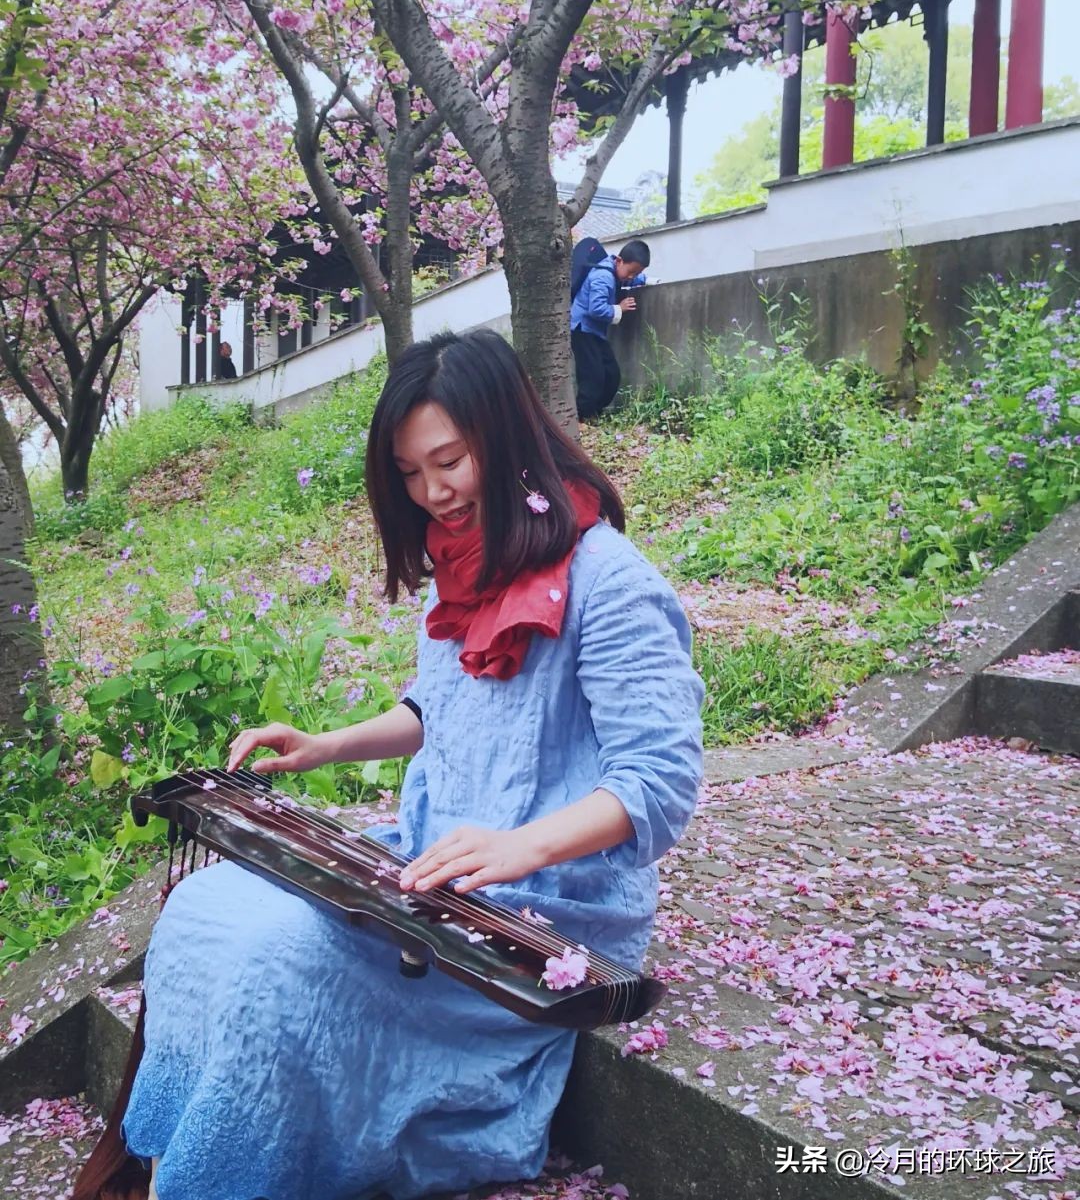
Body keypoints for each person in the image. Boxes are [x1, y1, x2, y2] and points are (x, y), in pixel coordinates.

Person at [116, 328, 703, 1200]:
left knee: (280, 959)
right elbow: (440, 711)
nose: (432, 492)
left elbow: (661, 784)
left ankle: (240, 1166)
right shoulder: (457, 570)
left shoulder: (612, 583)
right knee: (204, 906)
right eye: (409, 472)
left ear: (506, 439)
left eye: (450, 460)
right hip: (433, 868)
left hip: (547, 906)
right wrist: (325, 745)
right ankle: (192, 1149)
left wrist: (521, 847)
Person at [570, 239, 650, 421]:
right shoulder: (603, 276)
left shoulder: (615, 272)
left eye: (636, 273)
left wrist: (646, 280)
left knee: (611, 375)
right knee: (593, 377)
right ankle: (581, 418)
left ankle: (594, 413)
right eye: (631, 272)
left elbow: (632, 277)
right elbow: (595, 308)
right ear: (619, 260)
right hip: (582, 330)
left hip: (594, 332)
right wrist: (619, 308)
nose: (631, 277)